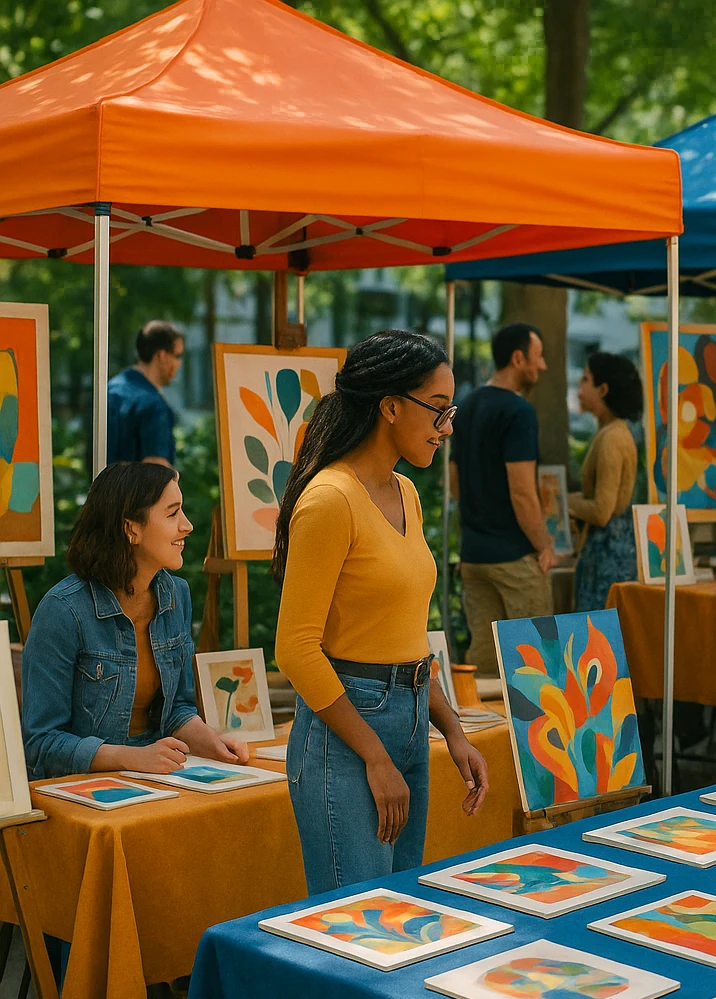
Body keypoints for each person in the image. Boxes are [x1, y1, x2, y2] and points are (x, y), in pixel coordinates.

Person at [274, 330, 488, 894]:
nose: (447, 429)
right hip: (347, 735)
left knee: (399, 918)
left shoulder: (406, 493)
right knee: (354, 928)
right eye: (438, 411)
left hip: (412, 720)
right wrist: (373, 754)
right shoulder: (329, 500)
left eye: (451, 411)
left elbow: (407, 638)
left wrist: (455, 732)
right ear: (389, 406)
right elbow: (294, 648)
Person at [22, 462, 247, 779]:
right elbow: (41, 745)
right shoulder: (63, 610)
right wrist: (130, 758)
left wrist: (213, 743)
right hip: (79, 790)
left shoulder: (176, 595)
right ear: (131, 529)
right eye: (172, 514)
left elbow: (177, 710)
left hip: (154, 773)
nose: (187, 526)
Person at [450, 322, 554, 676]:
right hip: (514, 557)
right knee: (537, 666)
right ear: (518, 357)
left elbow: (454, 483)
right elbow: (523, 491)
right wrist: (544, 545)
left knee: (484, 670)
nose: (542, 366)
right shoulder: (519, 413)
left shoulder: (466, 405)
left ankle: (486, 732)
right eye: (537, 357)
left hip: (474, 555)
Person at [570, 352, 643, 612]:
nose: (579, 387)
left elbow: (602, 511)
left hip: (607, 557)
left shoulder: (612, 438)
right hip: (606, 552)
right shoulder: (611, 432)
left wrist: (566, 503)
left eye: (586, 379)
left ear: (603, 389)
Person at [106, 320, 183, 466]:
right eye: (177, 356)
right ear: (162, 355)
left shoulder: (109, 391)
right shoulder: (154, 406)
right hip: (135, 489)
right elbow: (157, 472)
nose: (179, 364)